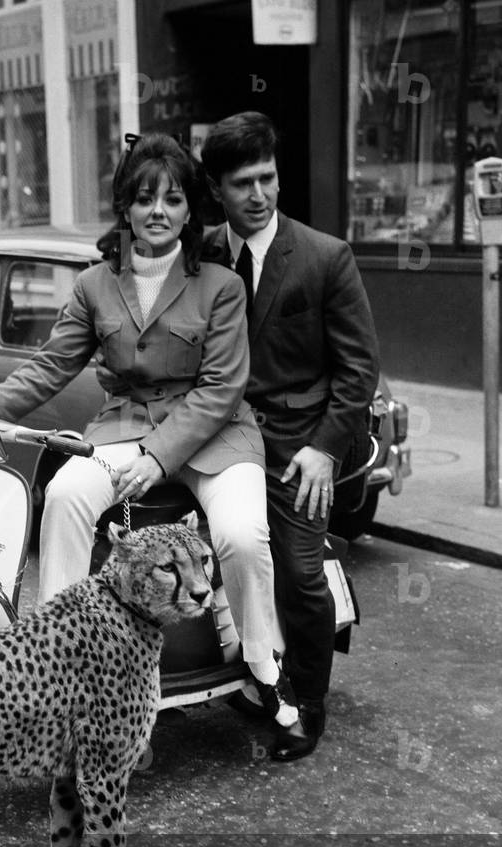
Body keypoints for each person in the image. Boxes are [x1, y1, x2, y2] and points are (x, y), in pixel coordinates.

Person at [0, 133, 301, 729]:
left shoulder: (221, 287)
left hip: (218, 433)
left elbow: (221, 386)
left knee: (241, 531)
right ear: (125, 206)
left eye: (174, 200)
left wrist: (156, 458)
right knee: (67, 495)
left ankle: (263, 665)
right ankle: (59, 657)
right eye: (146, 198)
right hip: (124, 425)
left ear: (190, 211)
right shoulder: (94, 284)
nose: (159, 212)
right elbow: (52, 365)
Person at [198, 111, 380, 760]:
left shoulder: (325, 257)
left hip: (300, 446)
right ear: (215, 189)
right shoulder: (201, 255)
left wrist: (325, 448)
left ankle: (304, 702)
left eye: (267, 178)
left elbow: (359, 370)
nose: (258, 195)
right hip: (218, 439)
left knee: (299, 573)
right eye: (241, 183)